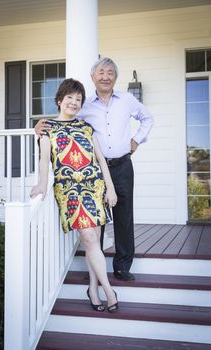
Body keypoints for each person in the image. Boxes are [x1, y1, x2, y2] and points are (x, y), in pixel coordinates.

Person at [35, 57, 154, 281]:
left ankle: (122, 266)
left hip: (122, 165)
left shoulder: (127, 99)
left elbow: (147, 118)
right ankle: (96, 269)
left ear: (115, 77)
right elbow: (65, 123)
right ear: (93, 77)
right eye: (101, 72)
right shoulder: (84, 104)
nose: (105, 77)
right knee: (94, 218)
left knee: (124, 216)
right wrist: (40, 128)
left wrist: (137, 139)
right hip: (94, 171)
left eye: (110, 73)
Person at [30, 78, 118, 312]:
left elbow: (100, 159)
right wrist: (41, 183)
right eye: (70, 97)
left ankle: (93, 288)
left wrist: (110, 188)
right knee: (89, 238)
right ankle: (109, 290)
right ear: (59, 100)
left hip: (94, 186)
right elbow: (44, 159)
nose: (74, 102)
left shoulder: (86, 127)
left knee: (94, 242)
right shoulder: (47, 128)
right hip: (69, 190)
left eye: (78, 99)